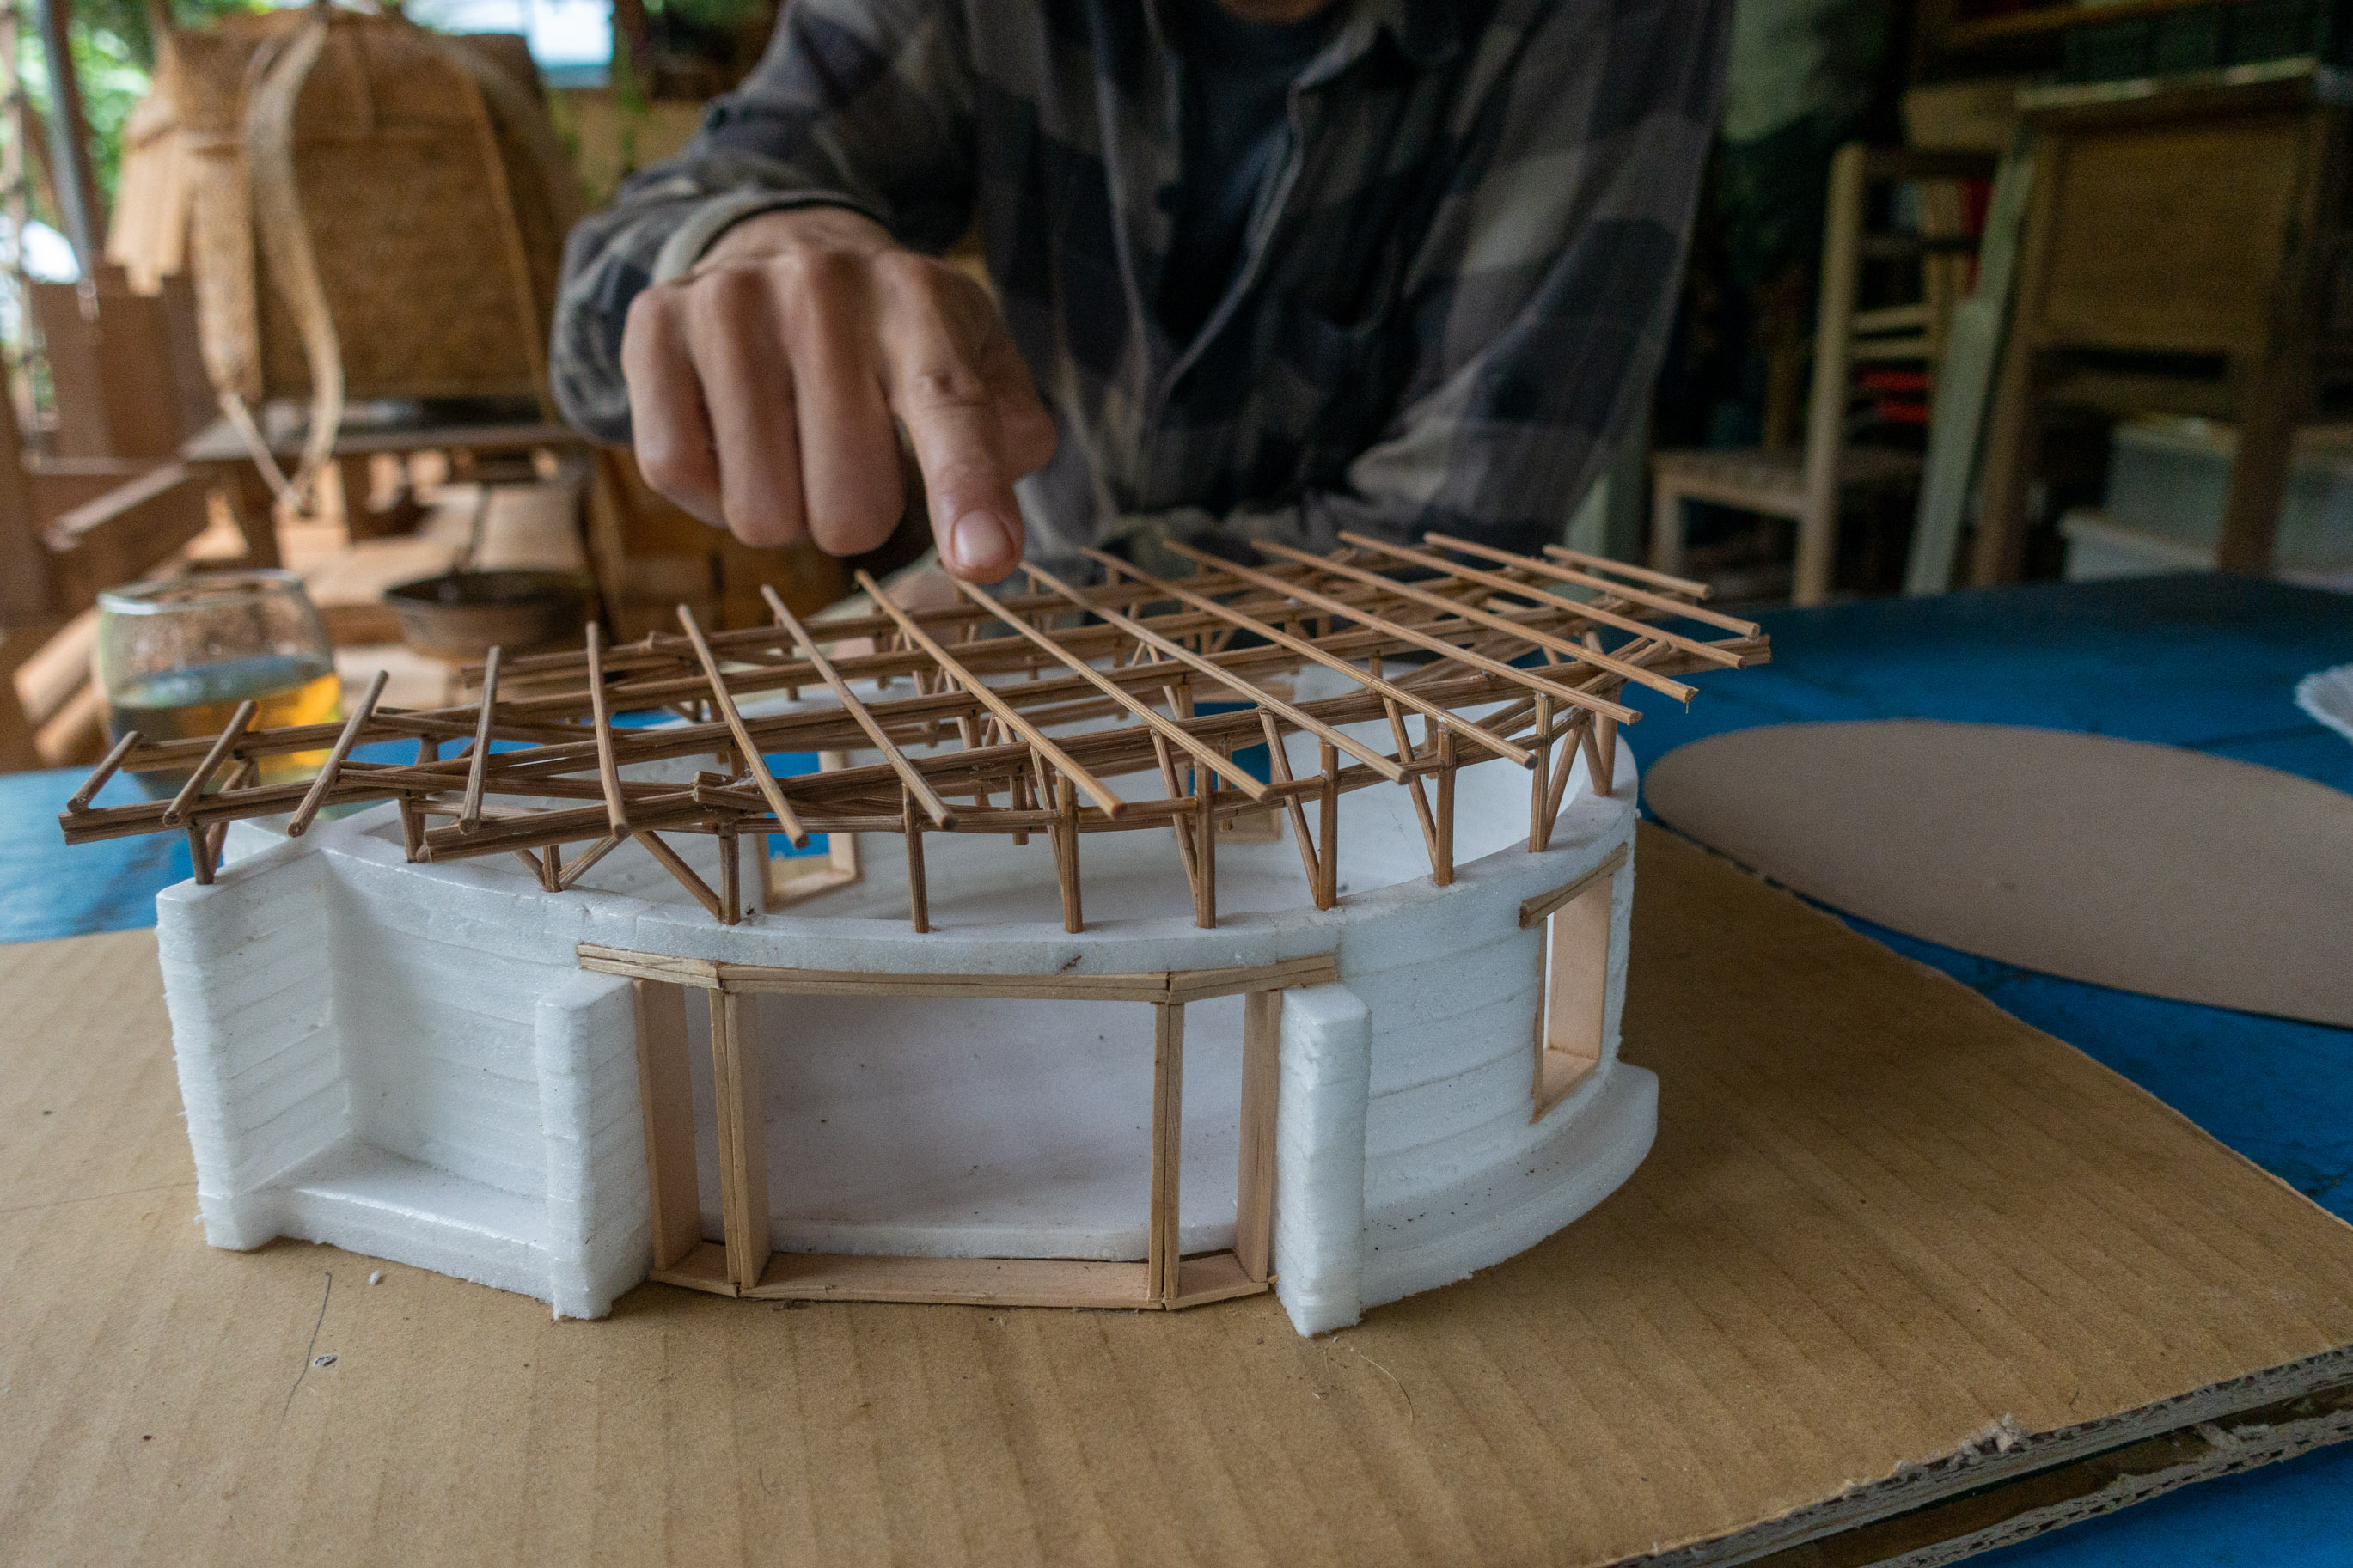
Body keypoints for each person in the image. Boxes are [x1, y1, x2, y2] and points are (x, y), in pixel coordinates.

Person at [553, 0, 1733, 588]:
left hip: (1391, 744)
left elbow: (1456, 534)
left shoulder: (1603, 21)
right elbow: (593, 334)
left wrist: (1055, 606)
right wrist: (739, 243)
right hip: (1039, 661)